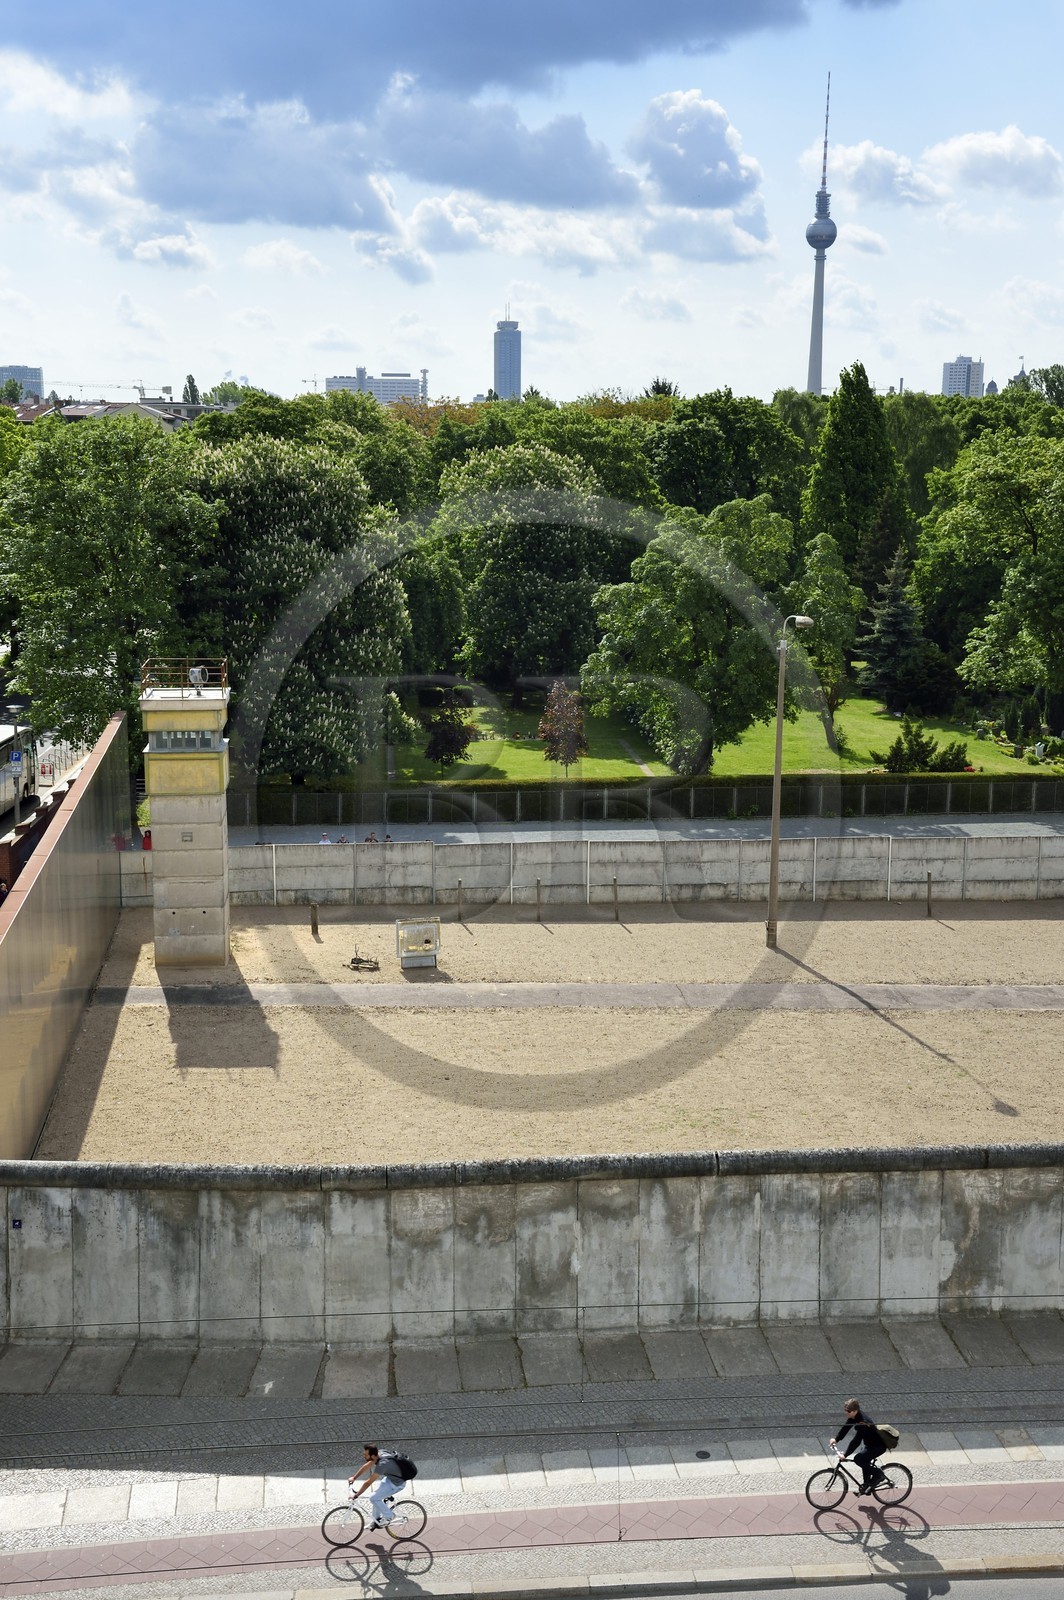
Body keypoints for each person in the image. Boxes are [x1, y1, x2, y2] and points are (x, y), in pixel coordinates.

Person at [831, 1398, 887, 1495]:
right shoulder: (854, 1416)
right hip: (870, 1444)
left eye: (848, 1411)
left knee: (858, 1459)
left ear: (855, 1411)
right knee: (864, 1461)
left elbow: (856, 1441)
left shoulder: (863, 1422)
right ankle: (867, 1487)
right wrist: (836, 1439)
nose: (846, 1413)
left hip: (878, 1446)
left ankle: (879, 1474)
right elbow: (845, 1428)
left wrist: (846, 1454)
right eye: (845, 1410)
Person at [348, 1443, 405, 1530]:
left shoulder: (382, 1465)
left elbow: (368, 1482)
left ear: (373, 1456)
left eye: (366, 1455)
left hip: (397, 1484)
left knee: (373, 1498)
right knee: (376, 1497)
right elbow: (366, 1466)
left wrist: (356, 1495)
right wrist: (354, 1478)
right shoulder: (379, 1453)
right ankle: (376, 1521)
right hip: (390, 1479)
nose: (364, 1456)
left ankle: (390, 1516)